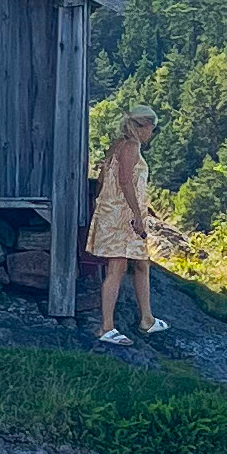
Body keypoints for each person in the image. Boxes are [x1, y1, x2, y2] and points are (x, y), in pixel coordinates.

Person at [85, 107, 161, 344]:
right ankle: (106, 327)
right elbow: (125, 181)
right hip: (123, 216)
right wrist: (137, 214)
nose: (152, 133)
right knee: (117, 268)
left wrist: (101, 204)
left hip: (114, 212)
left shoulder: (117, 145)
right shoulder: (131, 147)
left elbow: (102, 180)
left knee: (141, 263)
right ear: (143, 126)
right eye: (152, 128)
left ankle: (147, 318)